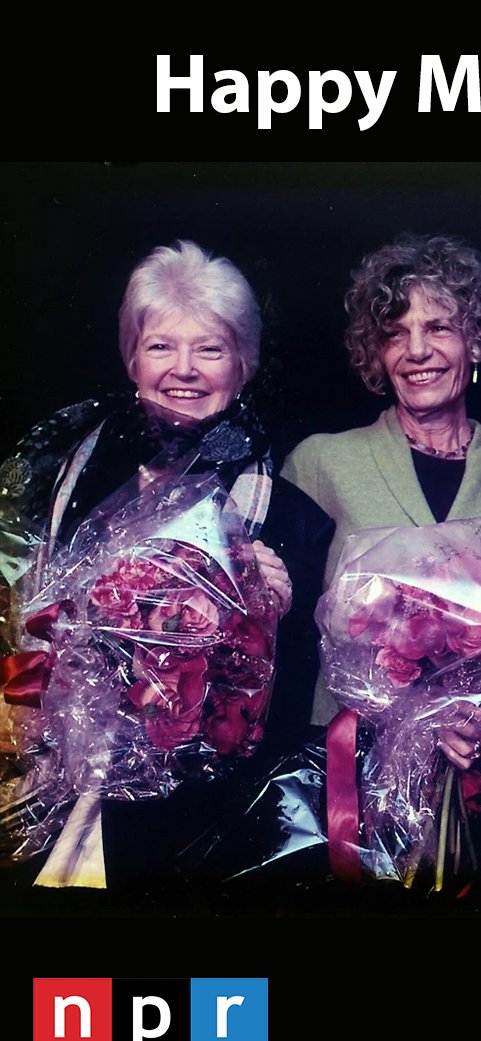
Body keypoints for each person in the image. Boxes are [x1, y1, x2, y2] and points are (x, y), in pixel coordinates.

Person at [0, 239, 332, 909]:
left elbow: (287, 713)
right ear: (132, 359)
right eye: (160, 346)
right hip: (59, 811)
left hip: (203, 840)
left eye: (209, 349)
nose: (183, 370)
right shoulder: (61, 486)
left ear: (243, 365)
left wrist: (274, 612)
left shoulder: (295, 520)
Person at [282, 234, 481, 731]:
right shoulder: (322, 463)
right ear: (376, 352)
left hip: (472, 780)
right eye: (395, 333)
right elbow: (280, 639)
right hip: (339, 770)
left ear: (475, 341)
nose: (418, 351)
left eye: (438, 327)